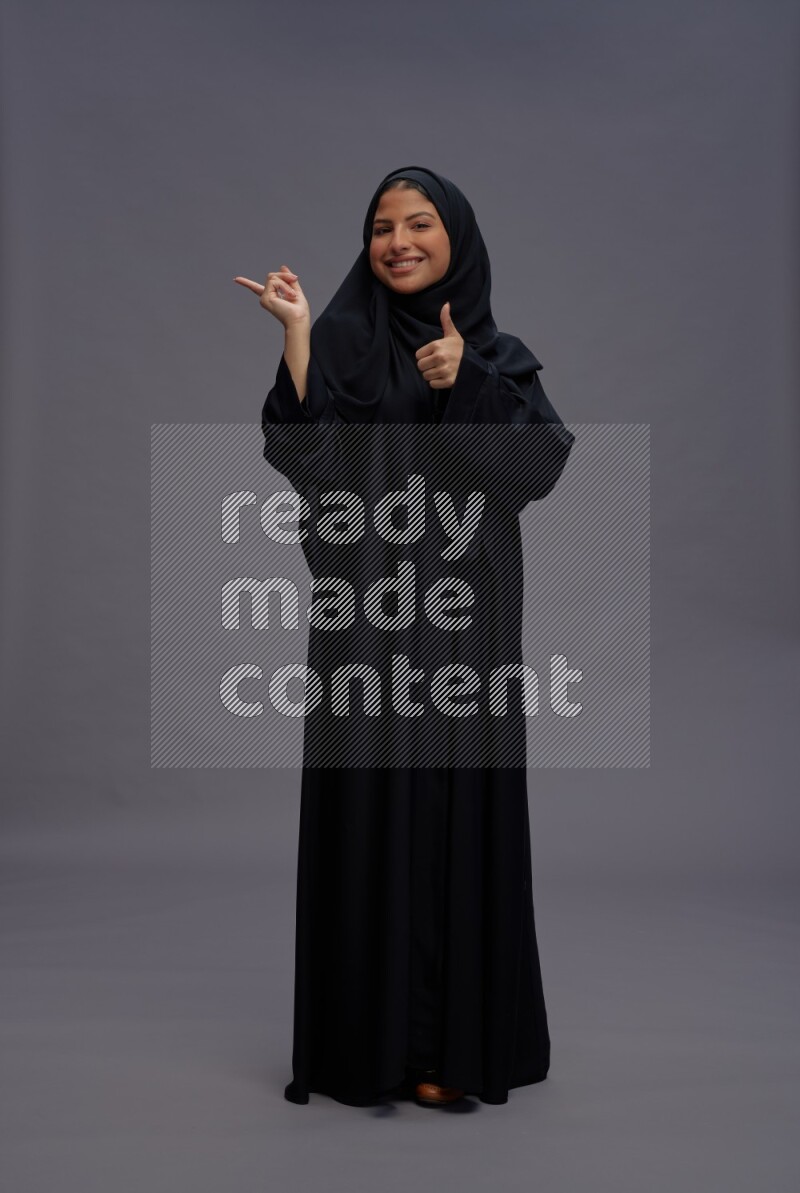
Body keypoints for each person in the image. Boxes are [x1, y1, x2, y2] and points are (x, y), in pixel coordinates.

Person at [234, 165, 575, 1108]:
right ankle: (373, 1048)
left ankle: (448, 1048)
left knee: (457, 813)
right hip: (368, 622)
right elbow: (306, 458)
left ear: (456, 238)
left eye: (419, 223)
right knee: (372, 810)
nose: (398, 242)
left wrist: (468, 383)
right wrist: (299, 337)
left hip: (468, 630)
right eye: (382, 227)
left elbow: (538, 470)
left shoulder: (496, 355)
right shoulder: (343, 345)